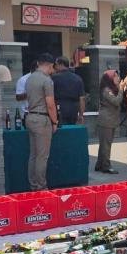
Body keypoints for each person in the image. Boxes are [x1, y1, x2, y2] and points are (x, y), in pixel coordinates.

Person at [25, 53, 59, 190]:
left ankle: (33, 184)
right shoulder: (47, 80)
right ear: (50, 65)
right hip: (42, 119)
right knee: (42, 156)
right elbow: (50, 104)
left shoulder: (30, 78)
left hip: (30, 116)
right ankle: (41, 186)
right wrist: (55, 122)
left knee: (33, 155)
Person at [95, 69, 122, 174]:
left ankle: (99, 164)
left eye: (118, 76)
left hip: (110, 120)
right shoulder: (107, 90)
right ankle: (106, 166)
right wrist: (121, 89)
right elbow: (116, 101)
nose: (118, 78)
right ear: (110, 78)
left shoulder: (111, 88)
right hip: (106, 120)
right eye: (115, 76)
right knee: (106, 144)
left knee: (104, 144)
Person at [51, 56, 86, 125]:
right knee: (71, 131)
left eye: (56, 64)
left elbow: (49, 96)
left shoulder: (54, 78)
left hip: (58, 109)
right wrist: (81, 115)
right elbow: (82, 98)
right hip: (73, 110)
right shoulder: (78, 78)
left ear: (61, 64)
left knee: (60, 132)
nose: (55, 67)